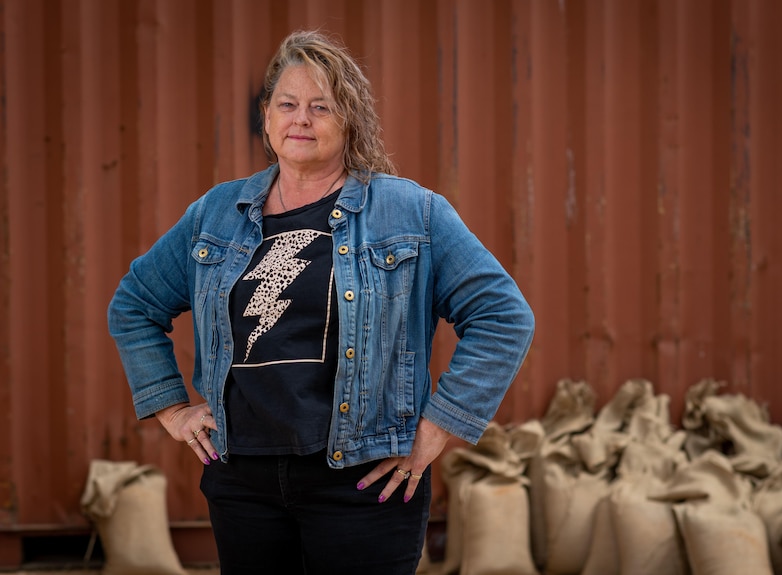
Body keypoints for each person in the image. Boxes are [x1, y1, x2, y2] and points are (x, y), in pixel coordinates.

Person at [108, 29, 534, 574]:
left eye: (320, 107)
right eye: (287, 104)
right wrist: (171, 408)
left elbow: (503, 317)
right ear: (266, 117)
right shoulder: (216, 213)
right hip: (244, 482)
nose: (300, 119)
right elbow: (134, 304)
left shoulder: (411, 213)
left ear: (349, 119)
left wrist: (437, 428)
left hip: (363, 483)